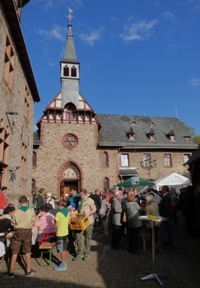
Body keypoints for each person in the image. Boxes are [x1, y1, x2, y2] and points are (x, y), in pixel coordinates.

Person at [5, 195, 36, 278]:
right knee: (27, 251)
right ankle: (28, 270)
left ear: (19, 203)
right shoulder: (31, 211)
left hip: (18, 231)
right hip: (27, 231)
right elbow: (33, 221)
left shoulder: (16, 212)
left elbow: (13, 223)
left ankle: (10, 272)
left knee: (15, 251)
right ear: (27, 202)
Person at [73, 189, 96, 261]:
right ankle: (79, 253)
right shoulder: (80, 201)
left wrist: (88, 213)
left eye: (81, 195)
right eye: (80, 194)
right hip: (81, 221)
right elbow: (78, 210)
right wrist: (74, 213)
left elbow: (94, 209)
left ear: (85, 194)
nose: (80, 196)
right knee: (78, 237)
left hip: (89, 221)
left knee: (87, 237)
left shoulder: (90, 201)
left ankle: (86, 253)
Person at [54, 199, 69, 271]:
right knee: (64, 248)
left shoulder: (58, 214)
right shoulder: (67, 212)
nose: (57, 206)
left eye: (58, 205)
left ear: (60, 205)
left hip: (60, 233)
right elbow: (69, 222)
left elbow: (56, 226)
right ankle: (64, 262)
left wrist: (54, 222)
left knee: (61, 249)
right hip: (65, 232)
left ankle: (63, 265)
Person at [66, 186, 80, 255]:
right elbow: (67, 204)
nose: (70, 192)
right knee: (70, 233)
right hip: (69, 216)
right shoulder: (69, 197)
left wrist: (75, 209)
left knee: (76, 233)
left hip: (75, 216)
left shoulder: (78, 197)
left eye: (71, 191)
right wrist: (68, 208)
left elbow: (79, 206)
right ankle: (71, 248)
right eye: (70, 191)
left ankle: (77, 249)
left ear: (75, 191)